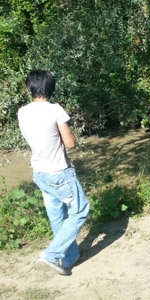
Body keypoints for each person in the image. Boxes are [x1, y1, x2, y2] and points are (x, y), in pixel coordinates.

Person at [17, 70, 90, 276]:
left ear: (30, 88)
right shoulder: (55, 110)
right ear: (51, 88)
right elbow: (71, 143)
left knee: (57, 217)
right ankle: (51, 254)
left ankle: (68, 259)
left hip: (40, 173)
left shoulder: (22, 112)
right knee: (81, 210)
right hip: (59, 172)